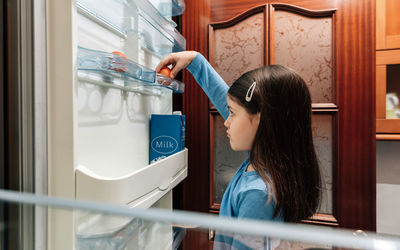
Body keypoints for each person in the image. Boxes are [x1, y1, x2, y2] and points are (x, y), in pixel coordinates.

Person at [156, 52, 321, 249]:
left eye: (232, 113)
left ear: (261, 121)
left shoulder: (258, 194)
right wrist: (195, 61)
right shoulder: (266, 161)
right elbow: (230, 105)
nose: (226, 121)